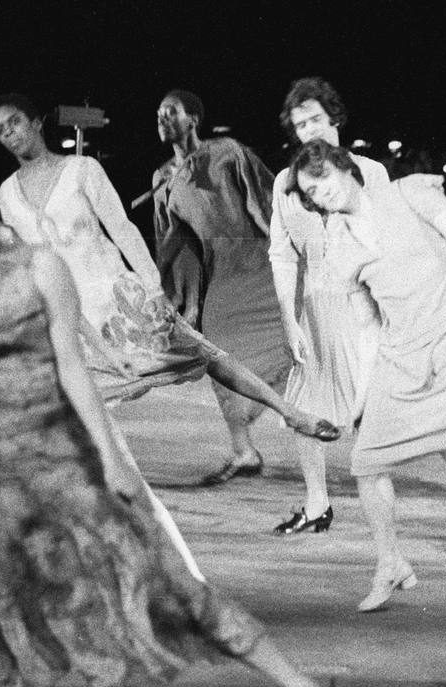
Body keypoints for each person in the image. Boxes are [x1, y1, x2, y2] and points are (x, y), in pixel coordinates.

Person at [0, 195, 375, 687]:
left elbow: (73, 369)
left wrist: (114, 461)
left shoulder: (39, 267)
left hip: (70, 463)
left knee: (171, 589)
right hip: (0, 485)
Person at [0, 92, 341, 580]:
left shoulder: (83, 170)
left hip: (120, 299)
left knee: (203, 354)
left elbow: (122, 229)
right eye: (1, 131)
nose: (10, 135)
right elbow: (31, 265)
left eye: (15, 123)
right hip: (72, 319)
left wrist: (153, 288)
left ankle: (292, 413)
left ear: (34, 122)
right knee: (77, 420)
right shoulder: (8, 193)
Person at [288, 141, 446, 612]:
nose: (318, 194)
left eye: (320, 181)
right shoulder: (338, 249)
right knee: (367, 463)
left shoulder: (408, 194)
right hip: (404, 357)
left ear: (344, 168)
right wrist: (355, 394)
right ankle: (391, 564)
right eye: (308, 192)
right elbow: (366, 325)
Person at [268, 78, 391, 537]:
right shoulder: (286, 182)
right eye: (299, 125)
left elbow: (386, 242)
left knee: (372, 413)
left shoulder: (371, 172)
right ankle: (317, 504)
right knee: (302, 407)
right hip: (315, 310)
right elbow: (282, 254)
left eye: (315, 119)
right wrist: (287, 317)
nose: (308, 130)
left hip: (364, 307)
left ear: (335, 119)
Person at [153, 89, 293, 486]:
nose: (163, 120)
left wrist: (292, 253)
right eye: (159, 115)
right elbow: (175, 246)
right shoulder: (163, 178)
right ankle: (244, 450)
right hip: (221, 274)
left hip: (261, 264)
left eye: (171, 113)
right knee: (216, 358)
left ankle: (286, 403)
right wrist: (184, 298)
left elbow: (268, 201)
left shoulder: (228, 152)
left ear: (193, 118)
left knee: (299, 341)